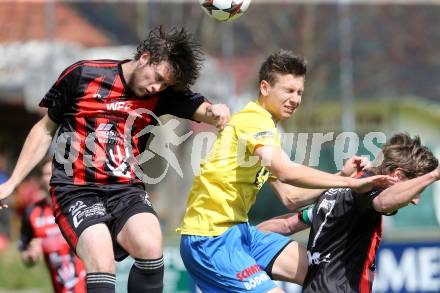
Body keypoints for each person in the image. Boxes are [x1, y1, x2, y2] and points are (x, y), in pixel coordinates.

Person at [0, 26, 230, 293]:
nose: (157, 86)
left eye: (164, 84)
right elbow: (44, 129)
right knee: (102, 258)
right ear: (145, 57)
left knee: (151, 242)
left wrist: (216, 111)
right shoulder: (83, 75)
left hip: (125, 190)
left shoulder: (161, 95)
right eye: (157, 78)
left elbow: (203, 109)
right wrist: (12, 181)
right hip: (76, 191)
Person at [177, 50, 395, 293]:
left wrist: (341, 177)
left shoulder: (266, 129)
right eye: (288, 91)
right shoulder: (254, 120)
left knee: (321, 269)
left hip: (241, 234)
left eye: (299, 92)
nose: (295, 99)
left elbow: (290, 196)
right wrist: (352, 184)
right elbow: (285, 171)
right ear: (265, 87)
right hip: (210, 239)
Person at [257, 133, 440, 293]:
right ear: (397, 176)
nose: (416, 200)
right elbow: (383, 202)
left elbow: (287, 224)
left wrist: (241, 236)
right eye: (417, 190)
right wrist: (434, 175)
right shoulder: (368, 190)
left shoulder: (335, 191)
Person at [19, 158, 87, 293]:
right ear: (40, 179)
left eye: (54, 172)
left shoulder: (80, 205)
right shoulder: (32, 212)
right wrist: (31, 255)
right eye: (46, 173)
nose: (51, 177)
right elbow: (25, 253)